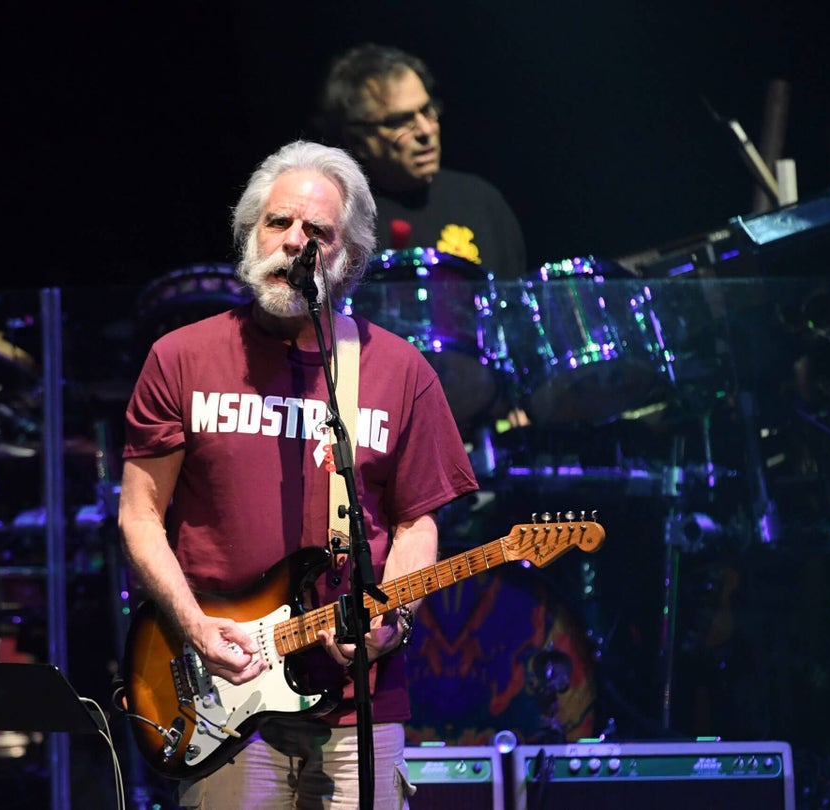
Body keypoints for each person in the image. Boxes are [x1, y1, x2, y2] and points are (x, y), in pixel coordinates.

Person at [117, 140, 479, 808]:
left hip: (358, 707)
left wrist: (391, 616)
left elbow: (414, 520)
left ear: (350, 257)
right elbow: (139, 515)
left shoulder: (398, 371)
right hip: (224, 691)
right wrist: (195, 626)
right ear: (250, 233)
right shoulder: (181, 358)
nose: (294, 243)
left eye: (318, 232)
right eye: (278, 223)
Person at [314, 43, 527, 279]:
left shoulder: (482, 202)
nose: (425, 131)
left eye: (427, 111)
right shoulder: (342, 219)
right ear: (361, 140)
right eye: (400, 121)